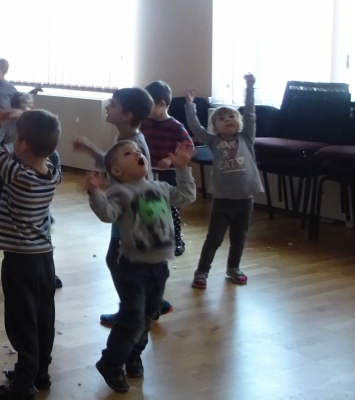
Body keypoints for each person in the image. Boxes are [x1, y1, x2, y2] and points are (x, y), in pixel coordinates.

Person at [0, 95, 62, 400]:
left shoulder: (16, 173)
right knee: (43, 316)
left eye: (16, 138)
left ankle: (23, 386)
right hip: (44, 259)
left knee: (21, 322)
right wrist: (24, 115)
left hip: (19, 262)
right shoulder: (54, 172)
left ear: (22, 146)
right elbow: (51, 149)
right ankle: (39, 373)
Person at [86, 139, 197, 391]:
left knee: (147, 316)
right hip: (132, 268)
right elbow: (108, 214)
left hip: (159, 268)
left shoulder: (161, 187)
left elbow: (187, 196)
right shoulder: (120, 192)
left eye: (138, 150)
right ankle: (110, 363)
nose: (137, 153)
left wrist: (183, 168)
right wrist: (95, 194)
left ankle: (133, 356)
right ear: (117, 170)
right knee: (132, 318)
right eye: (128, 153)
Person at [74, 87, 174, 327]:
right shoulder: (128, 140)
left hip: (130, 212)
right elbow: (112, 163)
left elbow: (128, 172)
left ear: (127, 115)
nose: (108, 107)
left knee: (117, 261)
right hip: (126, 207)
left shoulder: (132, 143)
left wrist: (99, 188)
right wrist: (89, 149)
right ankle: (150, 301)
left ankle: (134, 308)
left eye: (113, 104)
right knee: (115, 260)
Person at [185, 74, 263, 289]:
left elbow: (250, 114)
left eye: (231, 116)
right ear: (215, 127)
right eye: (221, 118)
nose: (228, 119)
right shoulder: (213, 141)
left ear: (238, 122)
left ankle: (233, 268)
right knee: (214, 239)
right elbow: (195, 127)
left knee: (239, 238)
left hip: (245, 201)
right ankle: (202, 272)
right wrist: (190, 105)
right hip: (222, 201)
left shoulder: (246, 137)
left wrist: (250, 88)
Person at [141, 80, 194, 256]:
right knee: (150, 205)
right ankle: (154, 237)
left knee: (170, 207)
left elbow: (189, 147)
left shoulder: (175, 126)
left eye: (148, 105)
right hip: (149, 172)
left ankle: (176, 239)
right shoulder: (145, 123)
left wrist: (170, 160)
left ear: (161, 104)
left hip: (168, 174)